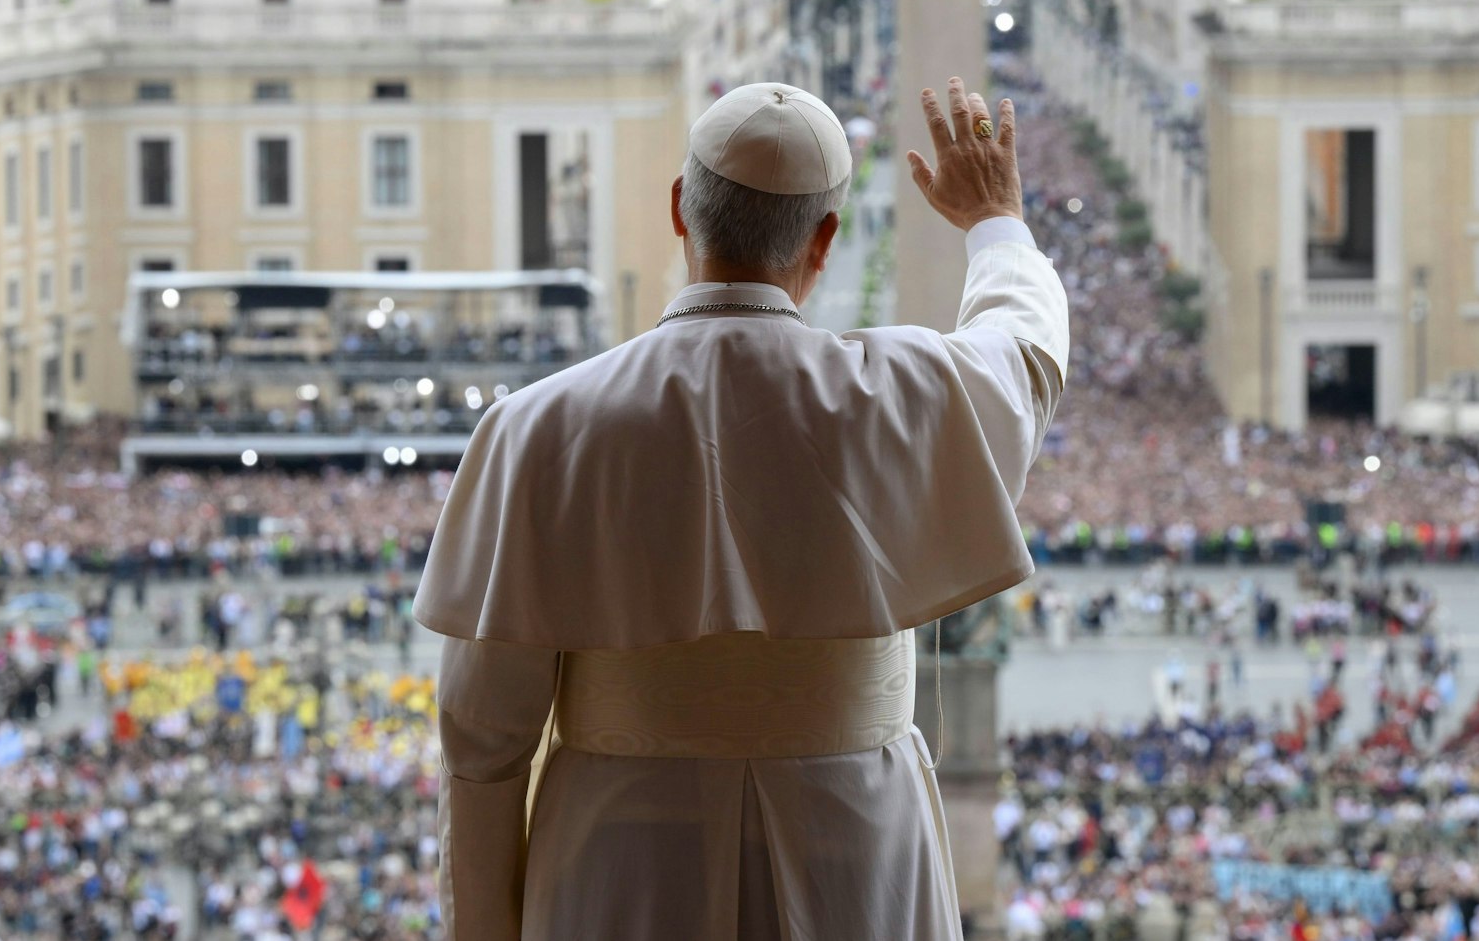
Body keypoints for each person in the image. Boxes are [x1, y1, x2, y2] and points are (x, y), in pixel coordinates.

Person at [417, 79, 1069, 940]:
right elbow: (1025, 353)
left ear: (682, 209)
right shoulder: (902, 394)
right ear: (826, 240)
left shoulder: (536, 426)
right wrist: (996, 220)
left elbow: (484, 742)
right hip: (856, 850)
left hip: (620, 857)